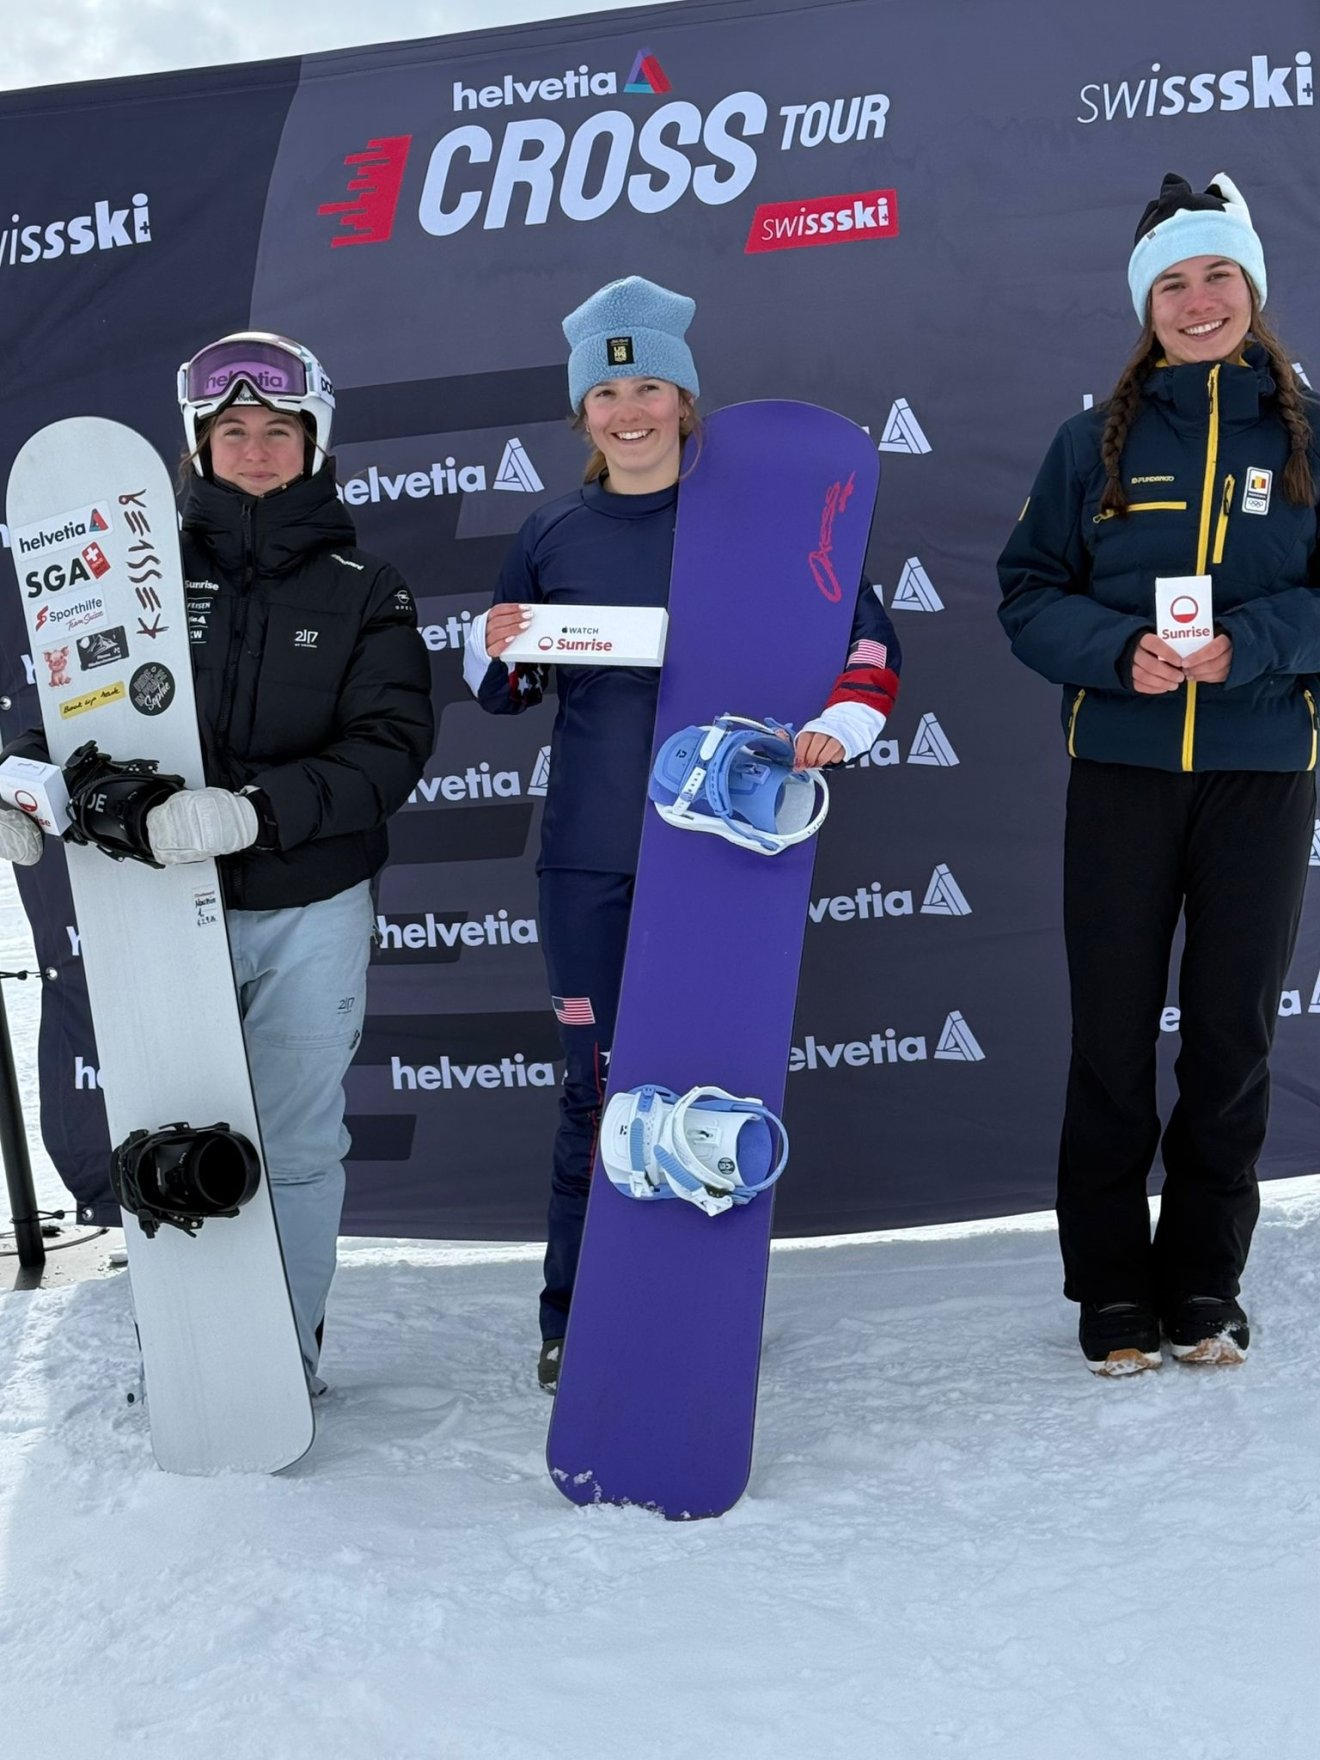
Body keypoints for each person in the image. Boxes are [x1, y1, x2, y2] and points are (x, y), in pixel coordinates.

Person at [464, 276, 902, 1390]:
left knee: (710, 1079)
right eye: (607, 389)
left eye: (649, 384)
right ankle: (575, 1316)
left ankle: (697, 1303)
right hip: (590, 855)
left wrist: (844, 718)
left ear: (685, 399)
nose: (629, 408)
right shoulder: (552, 526)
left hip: (719, 849)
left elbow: (862, 631)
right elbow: (506, 690)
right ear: (581, 412)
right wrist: (491, 641)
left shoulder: (748, 515)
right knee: (597, 1089)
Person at [2, 331, 435, 1392]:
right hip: (153, 904)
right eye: (230, 431)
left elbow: (390, 747)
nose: (252, 449)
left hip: (306, 896)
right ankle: (193, 1358)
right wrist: (31, 787)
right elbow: (60, 720)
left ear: (313, 444)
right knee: (168, 1132)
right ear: (195, 448)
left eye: (275, 431)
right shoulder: (122, 572)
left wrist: (251, 812)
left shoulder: (364, 586)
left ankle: (283, 1352)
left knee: (291, 1140)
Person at [998, 173, 1320, 1376]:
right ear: (1147, 304)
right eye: (1173, 282)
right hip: (1124, 772)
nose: (1197, 301)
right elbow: (1028, 592)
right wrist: (1114, 651)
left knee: (1232, 1034)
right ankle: (1110, 1291)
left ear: (1253, 291)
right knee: (1112, 1034)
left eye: (1218, 276)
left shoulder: (1309, 434)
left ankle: (1202, 1284)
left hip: (1263, 769)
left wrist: (1261, 644)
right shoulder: (1092, 443)